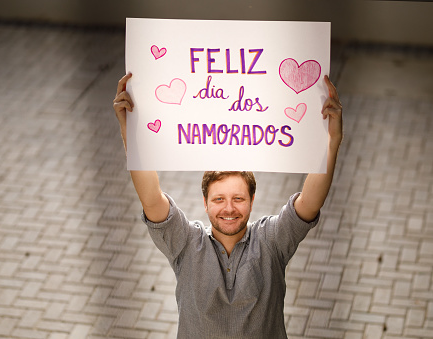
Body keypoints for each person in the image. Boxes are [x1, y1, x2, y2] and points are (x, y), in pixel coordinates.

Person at [113, 73, 343, 339]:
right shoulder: (187, 243)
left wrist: (331, 142)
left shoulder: (271, 241)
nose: (229, 208)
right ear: (205, 203)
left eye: (238, 198)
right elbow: (151, 198)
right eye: (219, 199)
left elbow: (309, 202)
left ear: (252, 200)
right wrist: (129, 133)